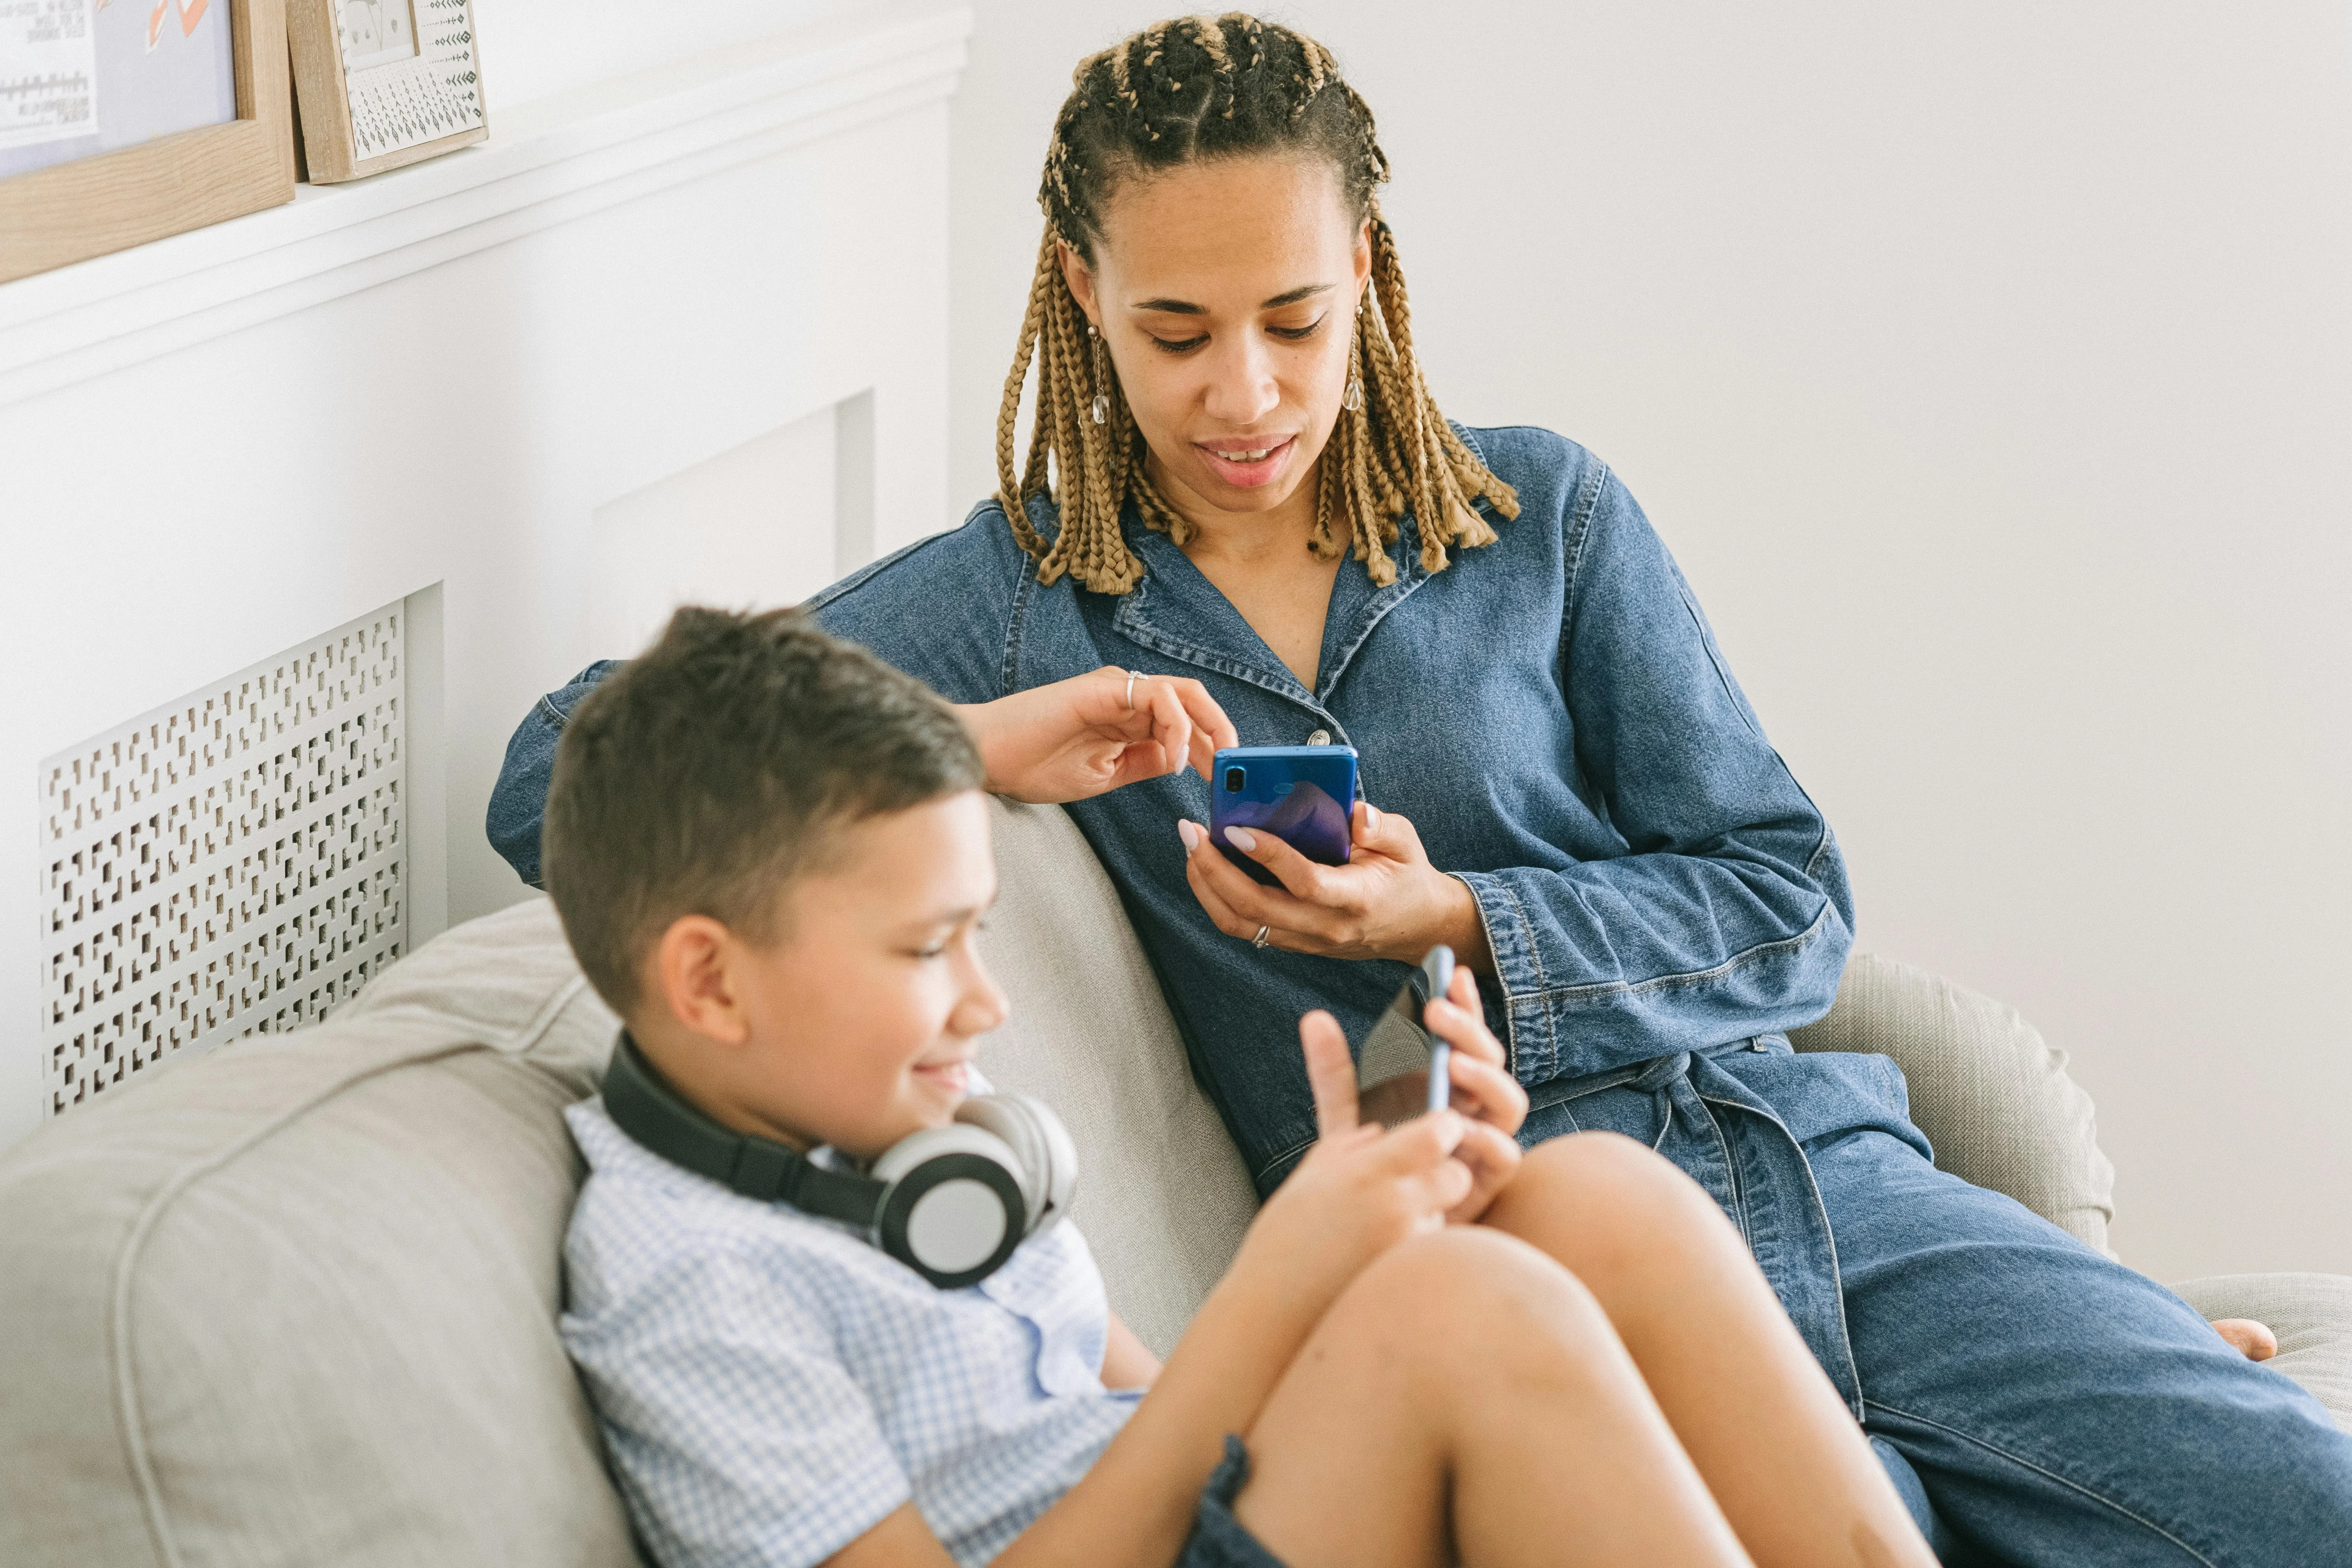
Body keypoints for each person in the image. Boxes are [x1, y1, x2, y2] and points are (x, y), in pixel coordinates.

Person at [493, 15, 2352, 1562]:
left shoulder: (1541, 516)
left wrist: (1466, 914)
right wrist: (981, 738)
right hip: (1491, 1228)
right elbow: (564, 766)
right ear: (1082, 290)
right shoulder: (1006, 606)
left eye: (1296, 321)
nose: (1245, 396)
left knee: (2298, 1501)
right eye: (1176, 332)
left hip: (1810, 1175)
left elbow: (1788, 896)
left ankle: (2091, 1385)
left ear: (1367, 269)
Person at [542, 605, 1937, 1567]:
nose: (988, 999)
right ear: (711, 985)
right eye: (927, 948)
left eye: (975, 932)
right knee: (1459, 1308)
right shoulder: (690, 1278)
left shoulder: (913, 1142)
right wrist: (1288, 1279)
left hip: (1200, 1521)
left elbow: (1154, 1420)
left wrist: (1376, 1226)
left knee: (1591, 1195)